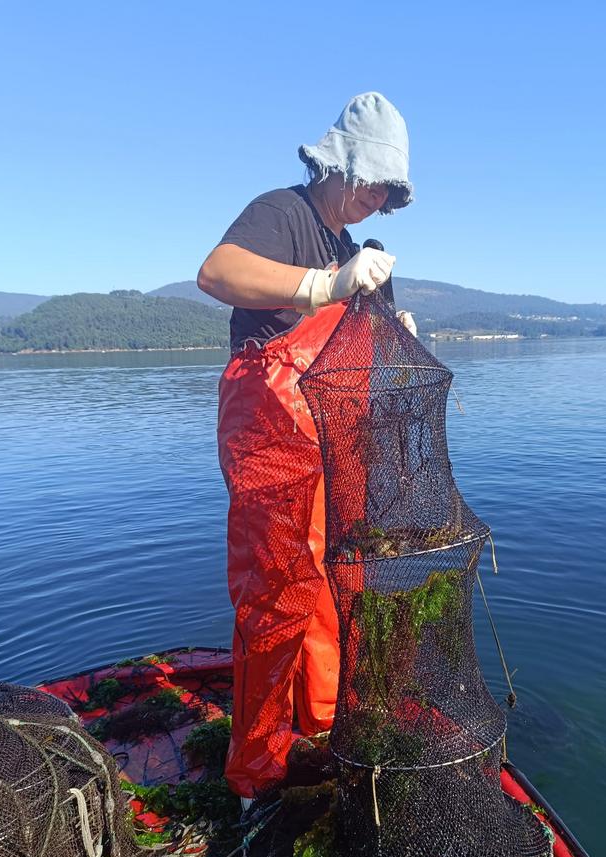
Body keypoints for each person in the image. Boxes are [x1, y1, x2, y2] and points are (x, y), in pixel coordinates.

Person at [197, 92, 415, 803]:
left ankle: (317, 733)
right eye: (377, 182)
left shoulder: (351, 247)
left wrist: (385, 325)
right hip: (268, 427)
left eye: (391, 193)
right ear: (343, 163)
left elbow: (346, 350)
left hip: (321, 436)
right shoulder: (283, 213)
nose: (381, 200)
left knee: (325, 584)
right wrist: (322, 286)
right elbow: (217, 272)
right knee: (275, 593)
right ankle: (257, 770)